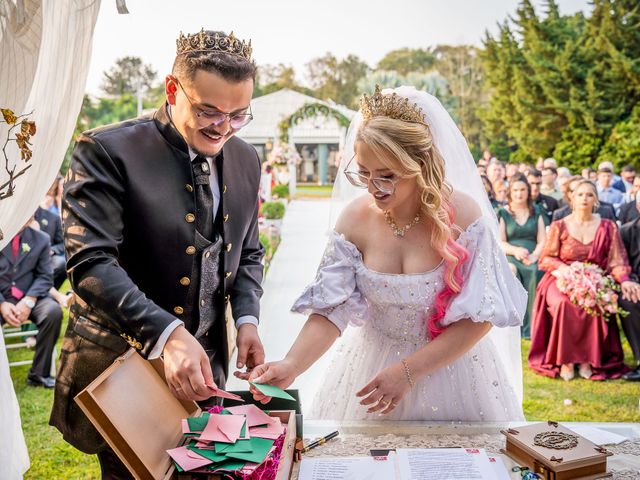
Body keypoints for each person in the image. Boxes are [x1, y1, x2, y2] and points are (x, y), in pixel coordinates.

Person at [50, 29, 266, 478]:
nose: (221, 126)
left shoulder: (247, 159)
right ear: (172, 89)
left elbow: (247, 250)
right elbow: (90, 264)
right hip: (122, 372)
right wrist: (167, 335)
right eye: (208, 110)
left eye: (238, 115)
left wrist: (247, 318)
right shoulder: (106, 149)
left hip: (208, 371)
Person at [240, 86, 527, 422]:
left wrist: (408, 372)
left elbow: (480, 318)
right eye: (364, 173)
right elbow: (331, 310)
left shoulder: (465, 216)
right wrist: (292, 364)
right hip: (371, 367)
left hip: (455, 370)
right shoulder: (354, 220)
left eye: (387, 177)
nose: (373, 188)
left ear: (419, 165)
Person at [529, 180, 639, 380]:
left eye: (589, 195)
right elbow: (546, 258)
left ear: (595, 199)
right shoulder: (559, 225)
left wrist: (623, 279)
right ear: (572, 198)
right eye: (580, 194)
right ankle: (566, 361)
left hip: (596, 278)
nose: (584, 199)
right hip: (560, 278)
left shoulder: (608, 226)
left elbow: (616, 259)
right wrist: (565, 270)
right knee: (564, 304)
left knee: (594, 301)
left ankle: (588, 360)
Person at [0, 219, 62, 388]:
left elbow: (45, 276)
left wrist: (29, 301)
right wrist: (2, 304)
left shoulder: (41, 239)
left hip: (30, 296)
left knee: (53, 312)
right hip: (2, 298)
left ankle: (38, 374)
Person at [497, 174, 546, 338]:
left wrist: (534, 256)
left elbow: (542, 239)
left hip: (533, 256)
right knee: (512, 273)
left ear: (528, 191)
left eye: (523, 189)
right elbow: (500, 242)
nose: (519, 194)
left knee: (535, 272)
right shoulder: (503, 213)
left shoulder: (537, 211)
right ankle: (516, 326)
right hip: (511, 255)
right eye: (515, 190)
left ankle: (533, 327)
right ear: (510, 191)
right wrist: (515, 251)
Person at [620, 207, 640, 381]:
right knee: (627, 302)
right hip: (636, 284)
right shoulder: (626, 231)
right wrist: (632, 282)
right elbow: (622, 262)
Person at [552, 176, 617, 222]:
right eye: (580, 194)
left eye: (589, 194)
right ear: (569, 194)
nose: (584, 197)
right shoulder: (560, 215)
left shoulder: (606, 212)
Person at [34, 205, 66, 289]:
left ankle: (51, 292)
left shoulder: (53, 218)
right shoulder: (19, 217)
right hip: (23, 258)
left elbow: (63, 243)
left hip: (47, 257)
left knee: (61, 263)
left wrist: (52, 250)